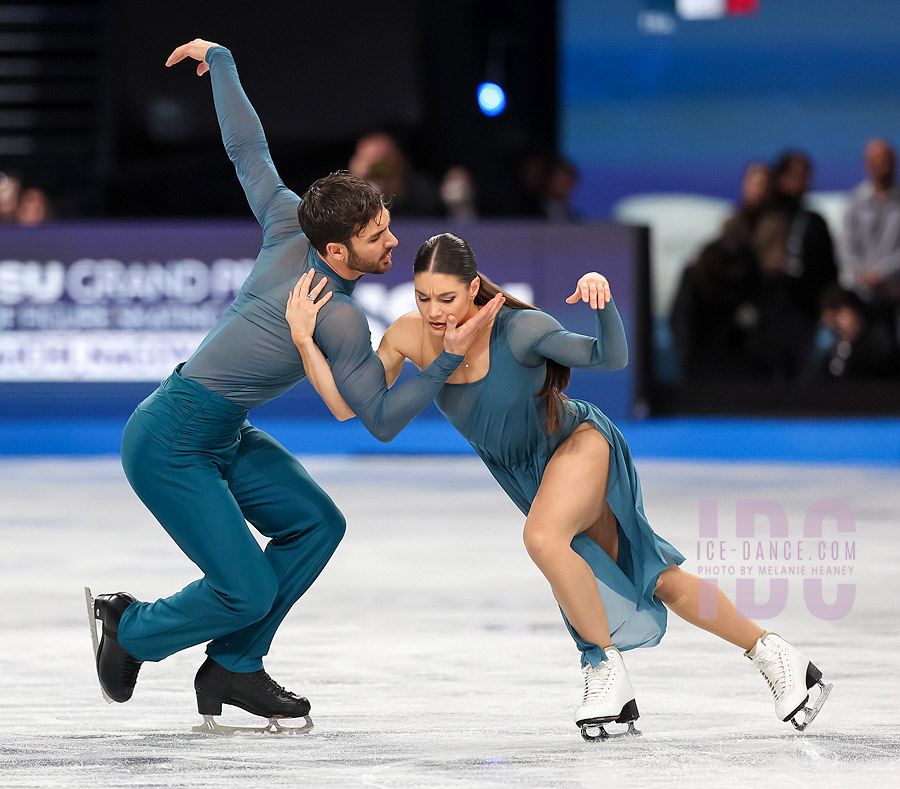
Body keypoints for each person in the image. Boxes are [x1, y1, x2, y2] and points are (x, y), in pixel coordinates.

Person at [87, 40, 502, 735]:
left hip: (220, 431)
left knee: (316, 522)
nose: (393, 242)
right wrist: (443, 361)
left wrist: (221, 62)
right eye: (378, 236)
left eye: (387, 225)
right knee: (243, 584)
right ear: (337, 251)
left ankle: (234, 665)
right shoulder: (336, 315)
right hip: (169, 440)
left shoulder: (289, 222)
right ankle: (130, 628)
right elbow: (380, 418)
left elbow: (248, 150)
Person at [286, 232, 832, 739]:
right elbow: (356, 413)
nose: (433, 312)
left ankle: (603, 670)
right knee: (654, 577)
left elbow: (609, 358)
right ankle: (777, 657)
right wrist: (305, 341)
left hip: (579, 444)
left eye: (447, 298)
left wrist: (604, 303)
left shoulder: (520, 330)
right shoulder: (410, 335)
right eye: (423, 297)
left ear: (474, 288)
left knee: (544, 538)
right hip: (528, 475)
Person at [841, 138, 900, 311]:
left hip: (895, 290)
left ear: (894, 161)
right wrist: (861, 275)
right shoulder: (855, 202)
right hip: (862, 293)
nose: (881, 163)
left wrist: (881, 274)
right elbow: (845, 246)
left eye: (885, 158)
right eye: (875, 159)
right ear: (866, 163)